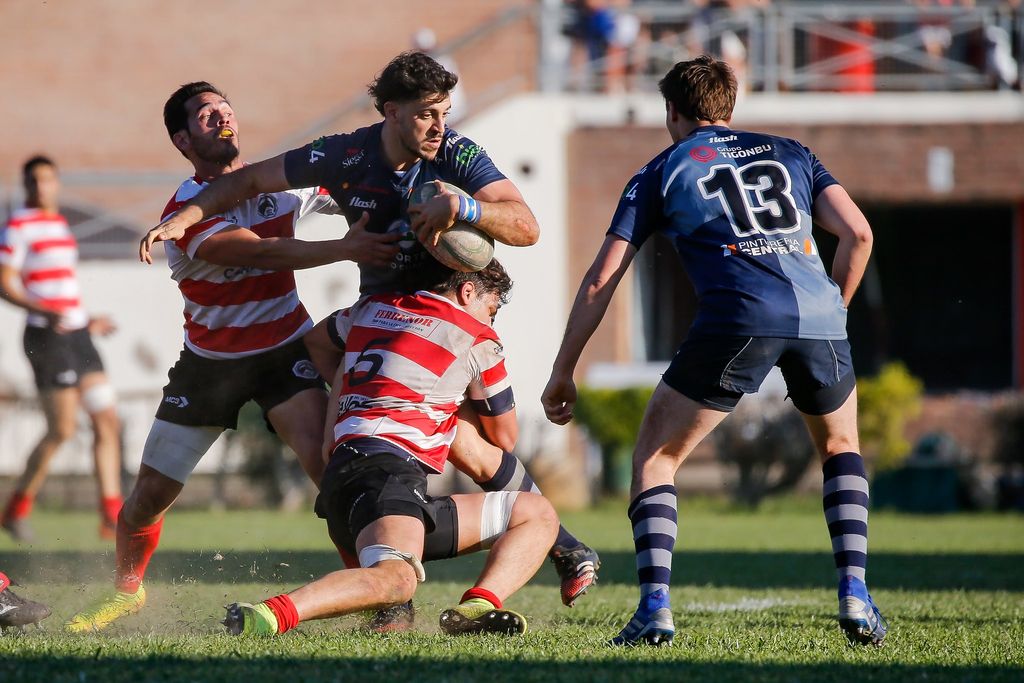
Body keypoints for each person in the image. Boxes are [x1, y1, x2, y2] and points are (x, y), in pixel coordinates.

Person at [140, 52, 601, 612]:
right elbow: (252, 181)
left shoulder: (456, 152)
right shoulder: (346, 153)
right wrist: (185, 217)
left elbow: (525, 226)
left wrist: (467, 208)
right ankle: (433, 578)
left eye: (445, 113)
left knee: (482, 442)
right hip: (374, 314)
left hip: (438, 311)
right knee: (421, 447)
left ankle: (543, 550)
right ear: (390, 111)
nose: (439, 126)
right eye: (427, 114)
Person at [541, 55, 886, 647]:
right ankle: (855, 591)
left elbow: (602, 279)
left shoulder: (662, 169)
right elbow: (858, 234)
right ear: (730, 106)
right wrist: (837, 312)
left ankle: (655, 607)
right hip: (820, 317)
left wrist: (563, 368)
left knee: (655, 457)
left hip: (738, 316)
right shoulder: (792, 152)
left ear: (671, 112)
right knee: (841, 447)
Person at [64, 81, 399, 633]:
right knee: (148, 498)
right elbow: (266, 251)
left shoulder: (278, 187)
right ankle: (126, 591)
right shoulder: (184, 216)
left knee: (332, 476)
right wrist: (344, 248)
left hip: (285, 354)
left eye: (225, 108)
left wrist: (371, 193)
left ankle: (379, 598)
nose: (221, 118)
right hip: (210, 365)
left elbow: (339, 188)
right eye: (204, 115)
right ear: (182, 140)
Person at [224, 259, 558, 637]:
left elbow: (317, 341)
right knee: (397, 581)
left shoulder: (376, 309)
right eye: (491, 309)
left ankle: (476, 607)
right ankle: (267, 617)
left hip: (352, 476)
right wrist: (459, 399)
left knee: (536, 513)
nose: (491, 321)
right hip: (385, 474)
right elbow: (504, 438)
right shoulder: (477, 338)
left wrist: (344, 397)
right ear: (468, 292)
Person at [0, 155, 123, 543]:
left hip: (77, 335)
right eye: (34, 181)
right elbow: (6, 284)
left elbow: (62, 288)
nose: (41, 187)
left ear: (57, 184)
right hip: (46, 338)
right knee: (63, 429)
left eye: (48, 180)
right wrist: (43, 310)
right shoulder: (18, 226)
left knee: (107, 420)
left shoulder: (59, 225)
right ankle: (15, 509)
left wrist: (87, 321)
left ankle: (112, 518)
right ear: (26, 186)